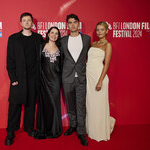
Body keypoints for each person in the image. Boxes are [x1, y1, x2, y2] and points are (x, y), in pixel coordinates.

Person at [5, 12, 43, 146]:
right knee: (14, 106)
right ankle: (10, 131)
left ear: (32, 23)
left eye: (29, 20)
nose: (27, 22)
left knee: (31, 104)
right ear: (21, 23)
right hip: (18, 79)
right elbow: (10, 61)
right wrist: (13, 78)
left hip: (33, 78)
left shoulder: (39, 38)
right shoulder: (13, 38)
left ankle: (29, 127)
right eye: (24, 20)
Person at [61, 14, 91, 146]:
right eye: (70, 23)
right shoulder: (62, 40)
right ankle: (72, 125)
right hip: (67, 77)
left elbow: (90, 56)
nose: (72, 25)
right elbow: (60, 59)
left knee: (81, 105)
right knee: (70, 104)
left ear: (78, 24)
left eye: (75, 22)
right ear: (67, 25)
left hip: (81, 77)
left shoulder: (86, 39)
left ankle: (81, 132)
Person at [86, 21, 115, 142]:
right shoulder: (93, 44)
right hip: (89, 77)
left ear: (107, 31)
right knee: (90, 105)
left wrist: (100, 81)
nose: (99, 32)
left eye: (102, 29)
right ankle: (91, 128)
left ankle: (100, 130)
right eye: (98, 30)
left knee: (99, 105)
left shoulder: (108, 45)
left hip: (99, 78)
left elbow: (106, 65)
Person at [34, 26, 63, 139]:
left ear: (58, 36)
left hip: (55, 81)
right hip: (43, 81)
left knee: (54, 105)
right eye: (52, 32)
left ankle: (54, 129)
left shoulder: (60, 48)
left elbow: (62, 65)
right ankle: (44, 129)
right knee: (44, 105)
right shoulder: (41, 46)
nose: (54, 35)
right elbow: (37, 64)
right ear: (48, 34)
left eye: (56, 33)